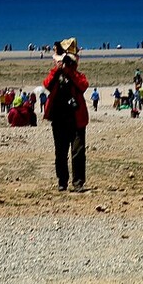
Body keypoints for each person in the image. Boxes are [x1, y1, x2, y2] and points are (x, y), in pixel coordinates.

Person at [42, 37, 89, 192]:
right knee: (60, 153)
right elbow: (47, 84)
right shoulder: (55, 73)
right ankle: (62, 181)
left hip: (76, 118)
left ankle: (78, 183)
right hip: (59, 118)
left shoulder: (77, 75)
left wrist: (69, 70)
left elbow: (83, 86)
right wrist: (58, 69)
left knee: (78, 151)